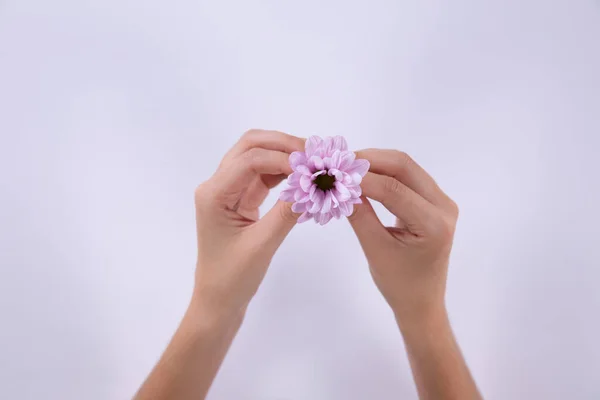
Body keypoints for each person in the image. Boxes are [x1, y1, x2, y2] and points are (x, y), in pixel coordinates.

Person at [133, 130, 482, 400]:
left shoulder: (335, 184)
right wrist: (424, 316)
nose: (325, 183)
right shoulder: (313, 185)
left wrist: (212, 309)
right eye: (321, 180)